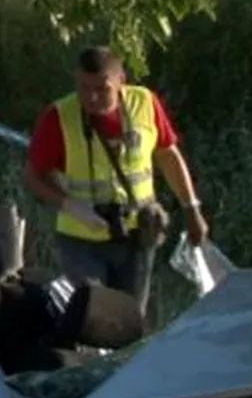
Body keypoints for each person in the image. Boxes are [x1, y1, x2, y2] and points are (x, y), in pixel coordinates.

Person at [23, 46, 209, 316]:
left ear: (121, 80)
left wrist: (192, 208)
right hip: (81, 238)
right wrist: (71, 206)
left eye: (102, 88)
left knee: (128, 321)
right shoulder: (59, 116)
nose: (92, 97)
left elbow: (168, 155)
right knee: (92, 321)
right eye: (84, 87)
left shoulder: (144, 103)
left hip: (137, 235)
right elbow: (32, 175)